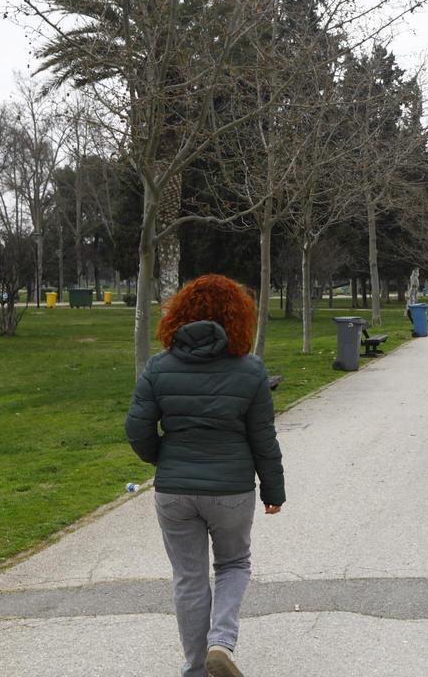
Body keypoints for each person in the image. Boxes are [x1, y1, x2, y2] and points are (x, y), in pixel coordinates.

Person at [125, 274, 284, 677]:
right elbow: (263, 438)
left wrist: (164, 458)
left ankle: (196, 669)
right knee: (233, 565)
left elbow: (137, 429)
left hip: (175, 491)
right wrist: (273, 490)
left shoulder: (158, 368)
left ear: (178, 316)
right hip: (231, 490)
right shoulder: (250, 371)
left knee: (189, 578)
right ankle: (221, 642)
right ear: (239, 319)